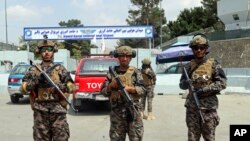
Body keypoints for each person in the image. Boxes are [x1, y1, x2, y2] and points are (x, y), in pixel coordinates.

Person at [20, 37, 75, 141]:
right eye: (43, 50)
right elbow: (23, 89)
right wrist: (36, 81)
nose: (46, 52)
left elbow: (72, 87)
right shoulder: (33, 70)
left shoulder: (60, 69)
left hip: (58, 111)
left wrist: (60, 87)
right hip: (40, 112)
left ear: (53, 51)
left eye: (49, 50)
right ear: (39, 52)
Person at [179, 33, 227, 141]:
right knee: (192, 138)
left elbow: (222, 83)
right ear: (192, 49)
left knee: (209, 138)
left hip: (208, 109)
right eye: (196, 48)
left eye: (201, 48)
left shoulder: (214, 64)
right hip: (192, 109)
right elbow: (181, 85)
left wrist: (203, 90)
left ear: (206, 49)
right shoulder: (188, 66)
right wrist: (186, 83)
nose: (199, 50)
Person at [101, 45, 145, 141]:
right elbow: (103, 92)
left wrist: (130, 89)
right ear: (118, 57)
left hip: (134, 112)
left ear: (130, 58)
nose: (124, 59)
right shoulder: (111, 73)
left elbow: (143, 90)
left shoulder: (136, 72)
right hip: (117, 114)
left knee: (136, 138)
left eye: (127, 56)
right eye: (122, 56)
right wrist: (110, 86)